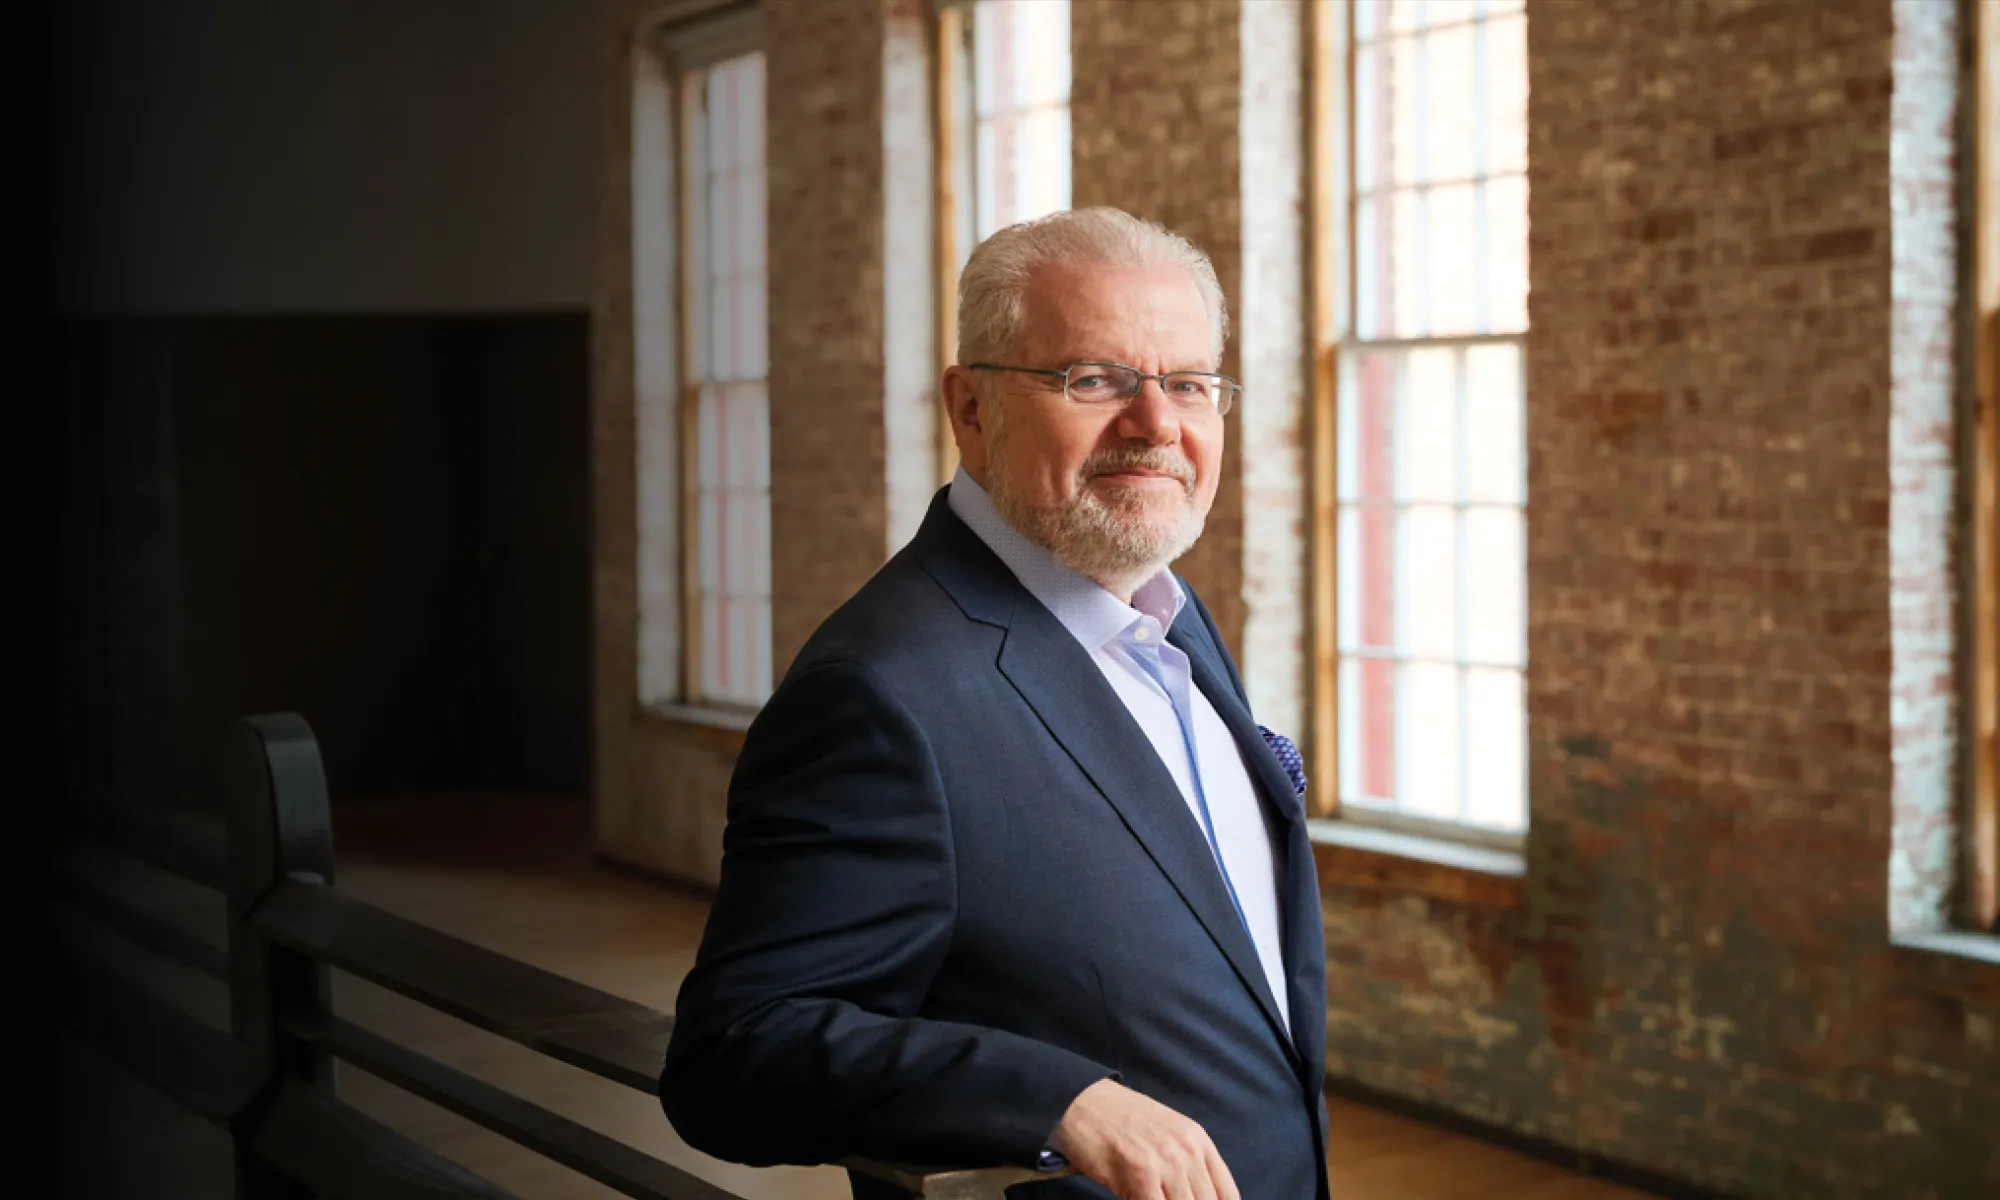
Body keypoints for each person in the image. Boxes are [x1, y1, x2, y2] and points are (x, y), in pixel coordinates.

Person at [660, 206, 1328, 1200]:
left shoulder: (1166, 614)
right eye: (1093, 379)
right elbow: (735, 1053)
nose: (1157, 425)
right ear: (970, 409)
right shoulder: (878, 696)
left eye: (1189, 383)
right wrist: (1061, 1100)